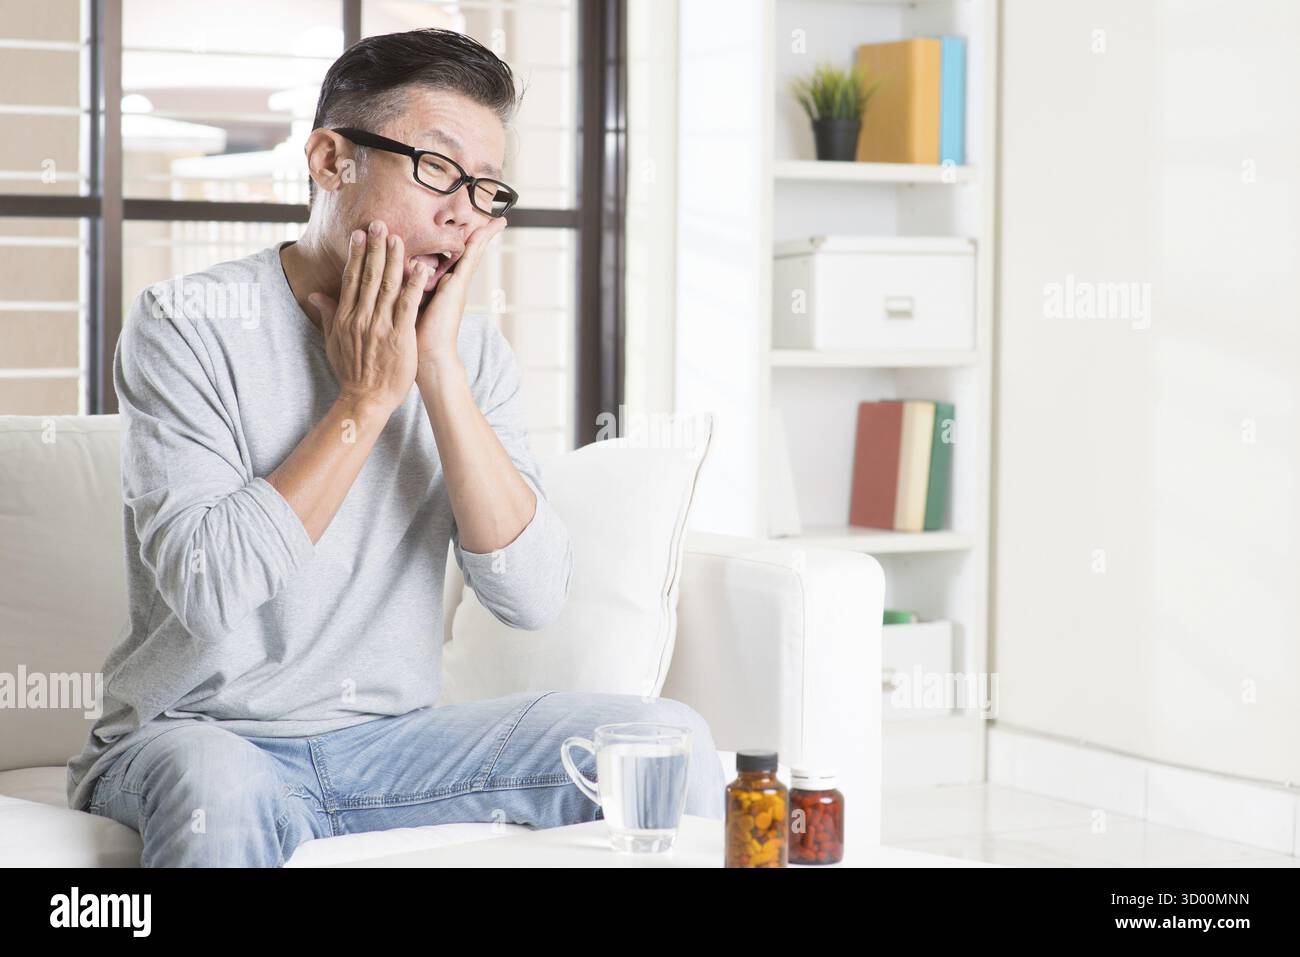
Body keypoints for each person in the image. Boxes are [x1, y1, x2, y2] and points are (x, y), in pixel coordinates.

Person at [66, 27, 724, 867]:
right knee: (221, 788)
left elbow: (531, 595)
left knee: (662, 735)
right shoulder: (186, 324)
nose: (463, 212)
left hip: (390, 745)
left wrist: (438, 369)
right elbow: (210, 585)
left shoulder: (472, 352)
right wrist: (366, 398)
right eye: (439, 170)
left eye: (487, 191)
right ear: (330, 159)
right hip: (197, 736)